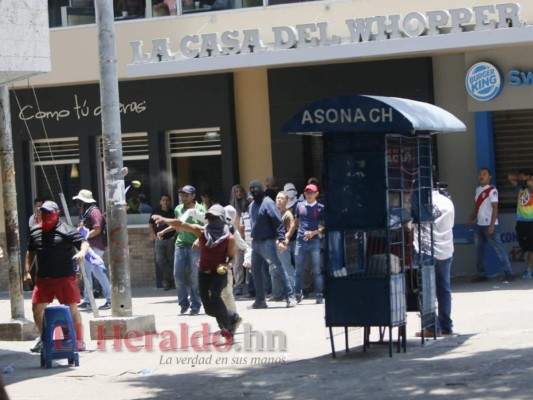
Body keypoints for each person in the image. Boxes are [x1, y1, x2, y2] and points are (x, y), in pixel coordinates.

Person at [153, 205, 241, 340]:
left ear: (222, 219)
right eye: (210, 217)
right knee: (209, 309)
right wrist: (164, 219)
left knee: (215, 296)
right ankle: (231, 318)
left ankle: (227, 329)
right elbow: (181, 224)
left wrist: (227, 265)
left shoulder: (229, 238)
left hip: (219, 273)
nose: (212, 221)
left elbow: (232, 258)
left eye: (216, 218)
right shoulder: (201, 231)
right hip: (203, 272)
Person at [24, 201, 90, 353]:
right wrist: (27, 272)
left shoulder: (66, 229)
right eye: (43, 213)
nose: (46, 216)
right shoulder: (35, 231)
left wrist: (81, 253)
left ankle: (79, 341)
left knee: (71, 308)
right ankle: (44, 338)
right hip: (43, 279)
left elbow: (84, 242)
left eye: (49, 213)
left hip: (64, 277)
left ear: (57, 213)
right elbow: (31, 252)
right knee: (37, 309)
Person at [248, 179, 296, 309]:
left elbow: (278, 222)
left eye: (256, 190)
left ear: (261, 189)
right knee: (255, 271)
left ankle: (290, 297)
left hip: (268, 242)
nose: (254, 192)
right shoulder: (251, 205)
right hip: (255, 243)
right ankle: (260, 300)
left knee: (278, 269)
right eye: (252, 191)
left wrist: (281, 240)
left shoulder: (268, 203)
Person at [158, 185, 205, 315]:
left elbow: (206, 228)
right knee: (177, 276)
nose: (184, 197)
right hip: (180, 245)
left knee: (194, 277)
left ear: (193, 196)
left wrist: (198, 240)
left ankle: (195, 305)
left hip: (195, 247)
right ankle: (183, 304)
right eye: (182, 195)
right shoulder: (178, 209)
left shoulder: (200, 209)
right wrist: (164, 230)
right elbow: (178, 224)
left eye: (186, 195)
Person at [415, 186, 455, 337]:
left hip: (427, 251)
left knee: (426, 290)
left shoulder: (422, 202)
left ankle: (431, 327)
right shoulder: (448, 202)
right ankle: (446, 325)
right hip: (446, 250)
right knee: (444, 289)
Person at [467, 168, 515, 283]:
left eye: (484, 174)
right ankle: (482, 275)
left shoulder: (492, 190)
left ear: (489, 177)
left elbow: (495, 207)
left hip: (490, 225)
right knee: (479, 251)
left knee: (499, 249)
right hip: (479, 225)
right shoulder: (478, 189)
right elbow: (477, 207)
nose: (481, 176)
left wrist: (492, 225)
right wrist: (471, 218)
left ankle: (509, 273)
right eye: (480, 174)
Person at [73, 189, 112, 311]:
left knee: (91, 273)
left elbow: (97, 229)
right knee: (96, 274)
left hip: (94, 247)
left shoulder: (94, 212)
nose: (78, 203)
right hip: (88, 247)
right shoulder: (85, 212)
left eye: (80, 201)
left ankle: (92, 300)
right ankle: (106, 299)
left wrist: (84, 235)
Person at [293, 184, 325, 304]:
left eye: (311, 192)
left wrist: (314, 232)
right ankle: (297, 295)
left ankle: (319, 295)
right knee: (298, 270)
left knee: (316, 270)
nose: (309, 194)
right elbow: (296, 222)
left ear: (316, 194)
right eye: (307, 192)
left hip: (314, 240)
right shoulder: (299, 205)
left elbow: (324, 227)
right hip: (301, 240)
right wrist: (288, 234)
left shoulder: (321, 207)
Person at [270, 191, 296, 301]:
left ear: (286, 201)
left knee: (287, 269)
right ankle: (277, 294)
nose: (279, 200)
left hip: (282, 245)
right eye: (277, 198)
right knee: (273, 269)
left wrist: (283, 241)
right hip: (272, 245)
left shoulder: (287, 214)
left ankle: (294, 292)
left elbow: (291, 229)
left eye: (282, 198)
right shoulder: (273, 213)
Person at [508, 169, 533, 279]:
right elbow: (510, 177)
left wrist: (528, 180)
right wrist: (521, 178)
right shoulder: (521, 186)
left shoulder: (531, 186)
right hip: (521, 221)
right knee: (524, 246)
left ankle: (528, 270)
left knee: (532, 248)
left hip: (531, 221)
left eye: (523, 176)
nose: (520, 177)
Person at [148, 194, 176, 290]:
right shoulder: (156, 212)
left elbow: (177, 225)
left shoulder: (173, 212)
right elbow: (151, 225)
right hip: (159, 240)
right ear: (160, 201)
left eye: (167, 200)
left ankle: (167, 283)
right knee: (160, 260)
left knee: (171, 261)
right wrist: (154, 237)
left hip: (171, 239)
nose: (165, 202)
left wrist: (174, 237)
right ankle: (173, 277)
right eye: (163, 200)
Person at [229, 184, 248, 295]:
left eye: (241, 191)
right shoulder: (231, 208)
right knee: (237, 263)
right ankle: (238, 285)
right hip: (237, 237)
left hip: (248, 236)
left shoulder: (248, 206)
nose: (239, 193)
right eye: (236, 191)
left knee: (249, 262)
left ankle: (250, 283)